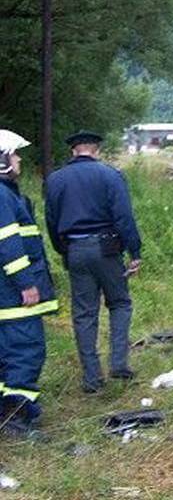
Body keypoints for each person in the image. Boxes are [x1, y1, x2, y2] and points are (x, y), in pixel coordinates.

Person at [45, 130, 141, 393]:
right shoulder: (111, 175)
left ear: (72, 151)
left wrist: (63, 250)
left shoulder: (55, 180)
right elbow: (123, 217)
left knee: (84, 314)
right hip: (107, 248)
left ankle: (92, 378)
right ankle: (119, 364)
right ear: (95, 150)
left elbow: (51, 221)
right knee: (120, 303)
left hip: (74, 248)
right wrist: (135, 252)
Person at [0, 130, 58, 436]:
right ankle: (17, 420)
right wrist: (26, 283)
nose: (19, 159)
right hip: (12, 298)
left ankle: (7, 413)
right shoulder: (2, 196)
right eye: (14, 154)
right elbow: (8, 244)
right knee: (26, 351)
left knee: (4, 357)